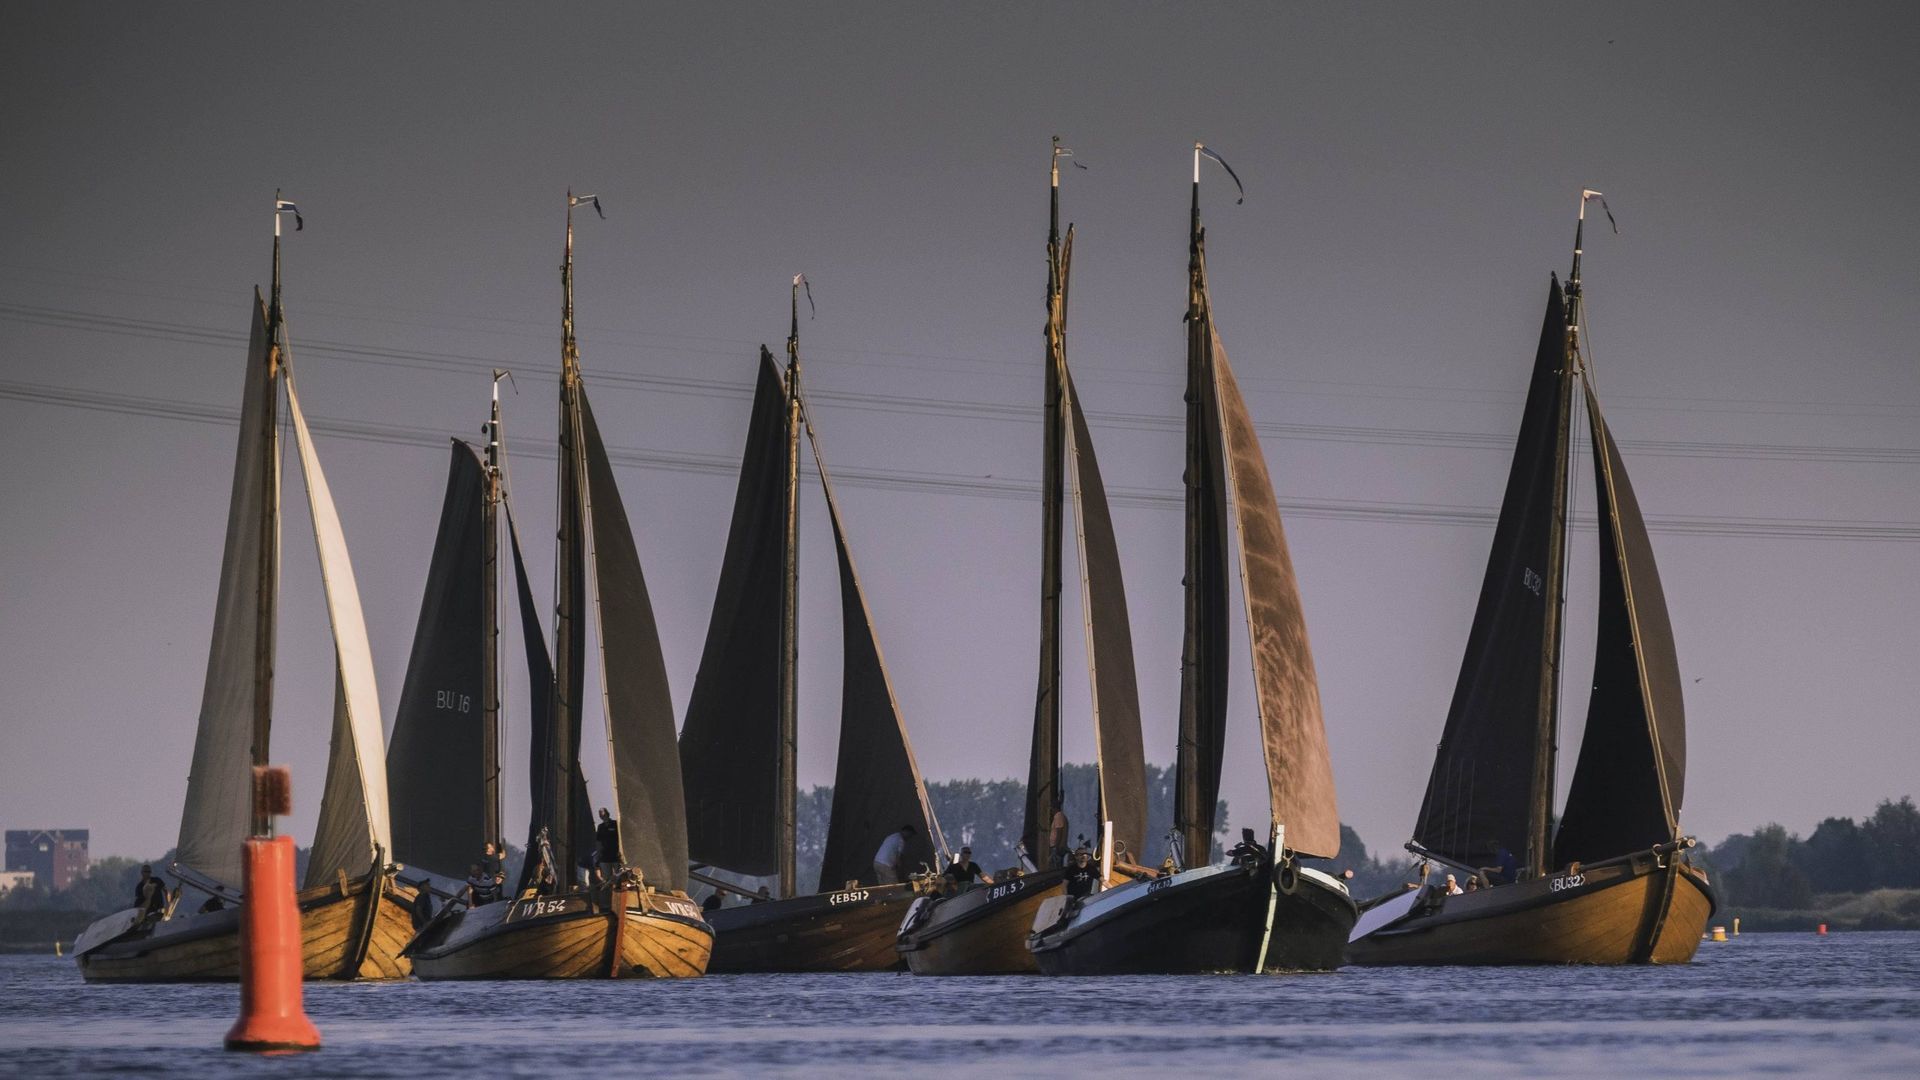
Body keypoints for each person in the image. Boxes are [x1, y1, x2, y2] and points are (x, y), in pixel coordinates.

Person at [594, 809, 622, 877]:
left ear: (607, 813)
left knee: (619, 876)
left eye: (603, 814)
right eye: (600, 814)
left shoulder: (615, 823)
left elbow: (620, 838)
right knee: (607, 878)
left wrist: (620, 852)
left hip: (615, 855)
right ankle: (609, 887)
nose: (602, 816)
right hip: (604, 856)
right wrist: (598, 853)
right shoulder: (600, 826)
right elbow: (598, 841)